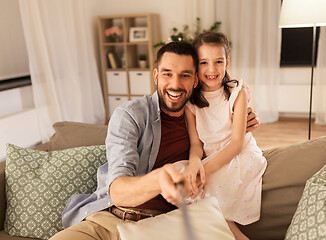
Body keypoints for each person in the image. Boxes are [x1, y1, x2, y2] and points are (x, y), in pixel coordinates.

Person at [50, 41, 259, 240]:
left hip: (166, 225)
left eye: (184, 75)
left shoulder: (203, 119)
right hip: (111, 219)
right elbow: (118, 190)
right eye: (168, 74)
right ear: (156, 76)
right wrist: (159, 180)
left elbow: (232, 139)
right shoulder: (131, 115)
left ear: (195, 79)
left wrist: (242, 121)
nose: (175, 85)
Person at [180, 32, 267, 240]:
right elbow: (195, 143)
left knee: (208, 187)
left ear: (227, 62)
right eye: (204, 62)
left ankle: (237, 237)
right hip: (211, 156)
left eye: (218, 61)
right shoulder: (191, 103)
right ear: (195, 66)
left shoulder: (237, 92)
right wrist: (194, 164)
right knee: (192, 190)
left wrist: (204, 171)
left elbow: (237, 143)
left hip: (239, 154)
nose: (211, 69)